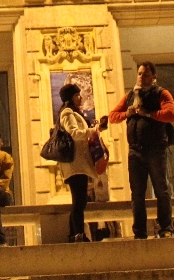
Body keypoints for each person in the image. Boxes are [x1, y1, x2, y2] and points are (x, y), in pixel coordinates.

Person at [109, 61, 174, 239]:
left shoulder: (161, 93)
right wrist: (128, 114)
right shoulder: (130, 96)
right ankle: (140, 232)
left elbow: (171, 114)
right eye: (139, 74)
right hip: (135, 151)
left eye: (145, 74)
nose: (141, 77)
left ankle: (166, 228)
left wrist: (147, 114)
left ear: (153, 77)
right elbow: (112, 116)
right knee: (137, 194)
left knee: (161, 189)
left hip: (155, 149)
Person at [56, 82, 106, 242]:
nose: (81, 97)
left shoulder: (73, 113)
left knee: (80, 200)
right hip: (75, 164)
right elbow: (75, 133)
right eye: (77, 94)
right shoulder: (68, 113)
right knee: (79, 200)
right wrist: (92, 131)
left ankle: (74, 234)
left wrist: (96, 128)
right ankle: (78, 234)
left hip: (78, 163)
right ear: (70, 97)